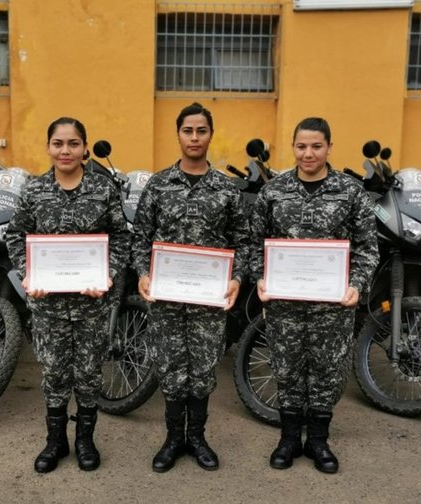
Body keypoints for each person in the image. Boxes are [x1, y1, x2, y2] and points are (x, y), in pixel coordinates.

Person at [250, 117, 379, 473]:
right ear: (293, 147)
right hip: (284, 305)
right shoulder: (273, 191)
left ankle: (319, 441)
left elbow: (368, 246)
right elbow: (254, 242)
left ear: (329, 148)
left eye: (316, 146)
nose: (309, 154)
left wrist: (357, 283)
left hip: (332, 305)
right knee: (287, 369)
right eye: (302, 146)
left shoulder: (350, 192)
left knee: (326, 371)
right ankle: (289, 439)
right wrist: (260, 277)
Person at [6, 117, 130, 473]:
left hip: (91, 301)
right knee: (54, 371)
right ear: (48, 147)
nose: (66, 150)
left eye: (73, 143)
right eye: (58, 143)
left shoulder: (103, 190)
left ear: (85, 148)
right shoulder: (33, 191)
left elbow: (120, 236)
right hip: (48, 303)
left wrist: (107, 275)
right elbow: (16, 235)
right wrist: (30, 274)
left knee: (89, 372)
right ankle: (55, 441)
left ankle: (85, 440)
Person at [132, 102, 251, 472]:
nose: (195, 137)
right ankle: (172, 440)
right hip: (167, 298)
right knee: (170, 367)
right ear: (178, 134)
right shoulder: (158, 185)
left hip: (208, 300)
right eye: (188, 131)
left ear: (210, 135)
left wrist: (236, 278)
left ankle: (197, 438)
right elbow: (140, 238)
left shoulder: (227, 190)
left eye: (201, 131)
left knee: (201, 370)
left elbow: (243, 241)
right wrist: (142, 273)